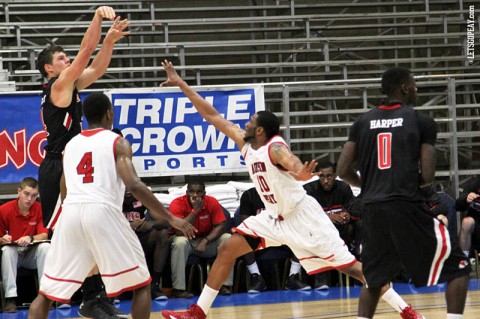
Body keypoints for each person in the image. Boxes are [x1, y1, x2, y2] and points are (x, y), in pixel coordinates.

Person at [159, 60, 424, 319]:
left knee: (353, 269)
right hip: (273, 217)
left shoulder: (274, 147)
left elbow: (291, 161)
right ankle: (198, 312)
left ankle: (406, 311)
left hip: (302, 217)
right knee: (229, 250)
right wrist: (181, 83)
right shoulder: (247, 143)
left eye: (251, 122)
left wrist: (300, 173)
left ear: (261, 130)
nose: (245, 124)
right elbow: (211, 115)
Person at [27, 92, 196, 319]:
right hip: (102, 210)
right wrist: (170, 217)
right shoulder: (117, 141)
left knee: (46, 293)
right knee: (142, 283)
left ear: (85, 117)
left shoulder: (71, 145)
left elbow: (64, 185)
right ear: (110, 113)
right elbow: (133, 185)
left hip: (71, 212)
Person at [336, 67, 470, 319]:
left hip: (372, 207)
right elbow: (427, 175)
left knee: (374, 279)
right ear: (405, 88)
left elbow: (342, 170)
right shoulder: (421, 121)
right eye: (415, 84)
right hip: (404, 203)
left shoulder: (362, 122)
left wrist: (370, 187)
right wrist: (402, 183)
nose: (417, 89)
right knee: (459, 267)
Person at [35, 6, 130, 317]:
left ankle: (91, 298)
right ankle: (54, 298)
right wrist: (97, 19)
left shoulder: (70, 87)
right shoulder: (58, 88)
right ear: (50, 70)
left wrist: (111, 42)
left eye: (66, 58)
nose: (67, 62)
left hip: (71, 167)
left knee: (88, 231)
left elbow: (97, 68)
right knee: (66, 237)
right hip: (57, 168)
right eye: (61, 59)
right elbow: (86, 51)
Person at [168, 179, 234, 298]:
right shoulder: (177, 203)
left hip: (206, 241)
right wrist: (195, 211)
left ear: (204, 193)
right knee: (179, 243)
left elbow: (221, 226)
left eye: (198, 192)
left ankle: (225, 286)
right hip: (187, 240)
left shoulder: (211, 201)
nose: (195, 195)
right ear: (187, 192)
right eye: (192, 192)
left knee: (228, 239)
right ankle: (178, 289)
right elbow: (179, 231)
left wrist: (206, 240)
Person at [238, 187, 311, 293]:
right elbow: (245, 223)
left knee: (302, 233)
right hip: (260, 235)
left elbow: (292, 218)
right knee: (244, 236)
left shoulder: (282, 193)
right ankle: (256, 277)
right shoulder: (249, 195)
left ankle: (293, 277)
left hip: (281, 234)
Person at [303, 161, 362, 290]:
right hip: (319, 234)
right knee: (318, 231)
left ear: (335, 176)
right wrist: (327, 218)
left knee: (359, 224)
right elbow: (304, 217)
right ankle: (321, 277)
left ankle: (360, 268)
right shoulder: (309, 190)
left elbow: (356, 209)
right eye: (322, 177)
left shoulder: (343, 188)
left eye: (329, 176)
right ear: (317, 176)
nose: (325, 181)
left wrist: (347, 214)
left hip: (342, 233)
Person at [0, 177, 50, 313]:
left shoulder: (40, 209)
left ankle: (46, 295)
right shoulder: (4, 210)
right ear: (19, 192)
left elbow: (44, 235)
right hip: (13, 254)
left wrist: (31, 237)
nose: (29, 199)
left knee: (46, 247)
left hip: (31, 254)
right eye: (26, 194)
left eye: (34, 195)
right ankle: (10, 298)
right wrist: (2, 239)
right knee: (6, 251)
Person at [123, 191, 169, 301]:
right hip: (121, 239)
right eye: (125, 187)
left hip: (140, 238)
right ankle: (112, 291)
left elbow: (163, 221)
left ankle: (155, 285)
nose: (128, 190)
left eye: (130, 187)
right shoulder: (113, 198)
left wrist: (149, 224)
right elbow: (106, 224)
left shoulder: (142, 197)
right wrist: (128, 225)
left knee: (162, 234)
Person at [456, 176, 480, 258]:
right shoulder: (476, 182)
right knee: (467, 222)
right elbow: (458, 205)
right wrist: (466, 199)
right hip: (477, 227)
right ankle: (463, 261)